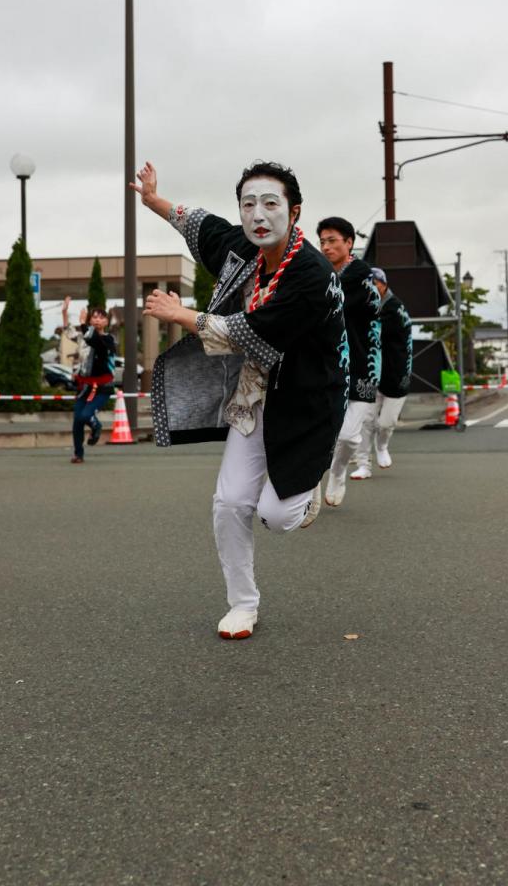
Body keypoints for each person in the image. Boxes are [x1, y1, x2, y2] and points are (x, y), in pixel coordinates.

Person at [131, 159, 348, 640]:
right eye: (248, 204)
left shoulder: (310, 274)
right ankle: (242, 604)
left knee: (277, 514)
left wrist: (180, 313)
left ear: (294, 212)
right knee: (229, 502)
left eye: (271, 204)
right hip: (254, 395)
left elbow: (250, 333)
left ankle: (306, 487)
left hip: (309, 400)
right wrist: (153, 201)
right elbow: (202, 225)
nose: (258, 215)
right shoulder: (244, 249)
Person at [312, 216, 381, 510]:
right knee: (320, 432)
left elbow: (369, 312)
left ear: (349, 243)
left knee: (350, 437)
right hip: (324, 366)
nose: (326, 247)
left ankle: (338, 472)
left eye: (332, 241)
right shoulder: (316, 276)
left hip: (362, 366)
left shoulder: (365, 281)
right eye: (322, 241)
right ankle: (311, 480)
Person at [351, 267, 413, 478]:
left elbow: (372, 329)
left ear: (384, 284)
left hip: (396, 375)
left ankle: (382, 445)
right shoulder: (366, 305)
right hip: (371, 373)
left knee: (386, 422)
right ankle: (363, 465)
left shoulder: (395, 308)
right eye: (368, 284)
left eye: (375, 283)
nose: (371, 288)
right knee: (366, 421)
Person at [70, 305, 116, 464]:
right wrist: (65, 313)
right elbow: (71, 334)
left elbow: (97, 344)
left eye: (101, 317)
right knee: (77, 420)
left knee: (85, 416)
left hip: (103, 388)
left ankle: (96, 426)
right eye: (94, 317)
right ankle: (78, 454)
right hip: (85, 387)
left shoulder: (108, 340)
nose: (97, 320)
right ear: (91, 320)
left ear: (107, 321)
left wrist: (84, 325)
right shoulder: (84, 337)